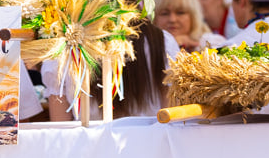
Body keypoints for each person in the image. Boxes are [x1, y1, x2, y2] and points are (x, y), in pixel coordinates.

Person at [41, 18, 180, 120]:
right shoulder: (163, 42)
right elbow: (171, 120)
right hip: (147, 149)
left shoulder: (60, 51)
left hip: (88, 150)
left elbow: (61, 127)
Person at [153, 0, 225, 51]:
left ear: (193, 15)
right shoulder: (147, 46)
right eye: (164, 13)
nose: (172, 19)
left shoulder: (211, 43)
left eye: (180, 13)